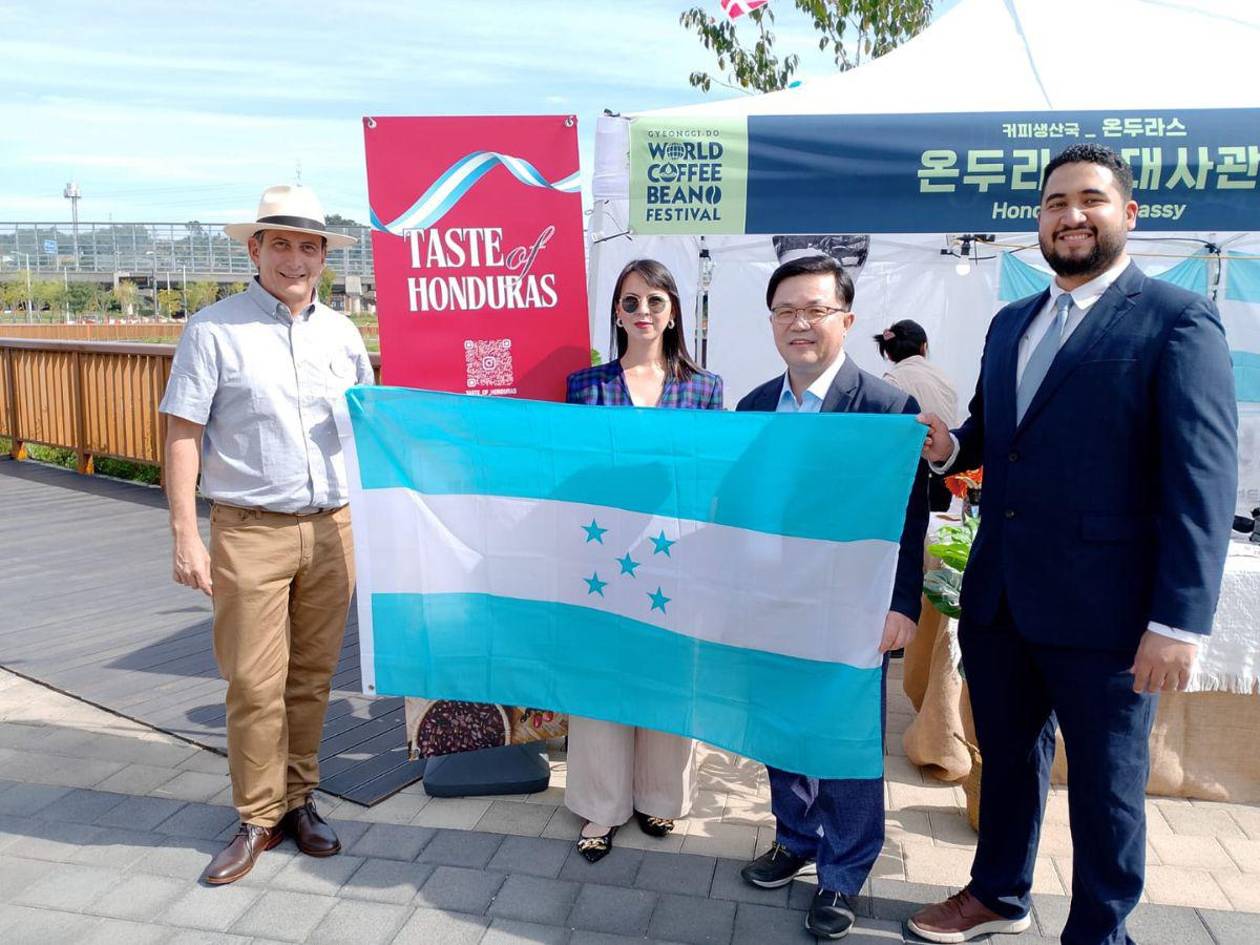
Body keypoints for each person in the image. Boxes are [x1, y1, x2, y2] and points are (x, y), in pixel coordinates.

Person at [911, 144, 1237, 945]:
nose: (1070, 215)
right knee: (1008, 761)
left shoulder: (1175, 318)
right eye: (1055, 202)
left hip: (1111, 612)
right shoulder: (1011, 321)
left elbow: (1204, 477)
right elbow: (995, 435)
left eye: (1090, 199)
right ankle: (999, 893)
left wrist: (1180, 621)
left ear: (1128, 214)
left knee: (1106, 785)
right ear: (1039, 223)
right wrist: (948, 448)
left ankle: (1100, 929)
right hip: (1001, 596)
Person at [159, 185, 374, 885]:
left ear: (323, 258)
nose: (294, 257)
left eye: (308, 245)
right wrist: (185, 535)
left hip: (331, 527)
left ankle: (300, 799)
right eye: (279, 242)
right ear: (254, 249)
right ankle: (257, 816)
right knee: (254, 682)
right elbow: (183, 435)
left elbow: (369, 431)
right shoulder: (213, 329)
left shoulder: (343, 334)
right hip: (248, 530)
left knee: (312, 679)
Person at [735, 255, 929, 940]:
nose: (800, 322)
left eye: (815, 309)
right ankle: (796, 835)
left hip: (853, 606)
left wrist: (903, 603)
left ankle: (844, 869)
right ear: (772, 322)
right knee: (780, 725)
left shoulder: (887, 407)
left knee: (844, 738)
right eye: (786, 310)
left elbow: (910, 515)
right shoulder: (754, 406)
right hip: (772, 603)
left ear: (846, 319)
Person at [563, 258, 723, 862]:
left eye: (655, 300)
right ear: (616, 313)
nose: (643, 312)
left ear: (673, 310)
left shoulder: (705, 387)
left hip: (675, 554)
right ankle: (600, 806)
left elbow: (708, 475)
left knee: (667, 675)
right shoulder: (587, 385)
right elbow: (573, 471)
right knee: (602, 677)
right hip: (603, 551)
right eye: (630, 302)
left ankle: (661, 795)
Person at [875, 319, 958, 512]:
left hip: (911, 475)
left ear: (888, 353)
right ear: (924, 347)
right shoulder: (943, 377)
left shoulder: (890, 382)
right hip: (944, 470)